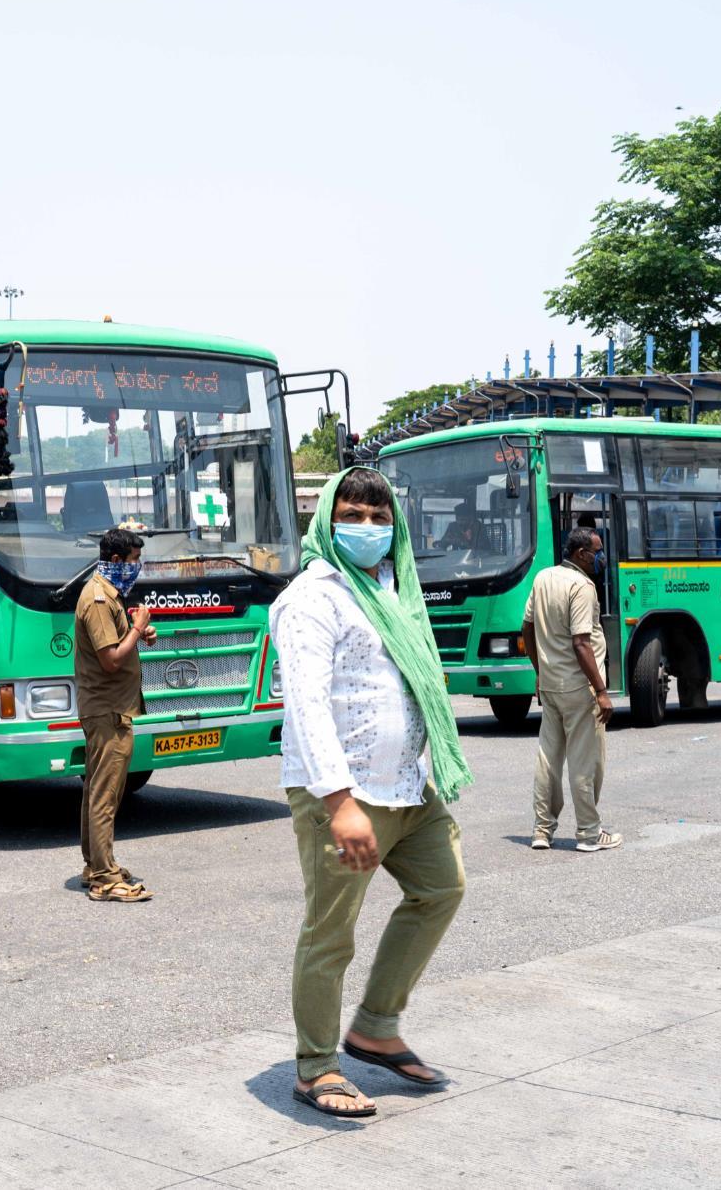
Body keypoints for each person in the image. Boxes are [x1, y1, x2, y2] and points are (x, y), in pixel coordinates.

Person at [269, 466, 473, 1120]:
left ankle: (375, 1026)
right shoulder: (313, 596)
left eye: (378, 518)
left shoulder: (395, 588)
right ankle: (316, 1068)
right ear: (328, 520)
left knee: (442, 886)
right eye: (351, 515)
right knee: (332, 932)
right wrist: (340, 802)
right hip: (346, 792)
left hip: (407, 787)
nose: (366, 527)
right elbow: (304, 703)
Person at [521, 527, 620, 852]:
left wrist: (540, 672)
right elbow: (581, 643)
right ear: (581, 554)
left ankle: (541, 830)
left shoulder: (544, 578)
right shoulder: (582, 586)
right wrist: (602, 691)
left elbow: (527, 627)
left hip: (550, 686)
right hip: (579, 689)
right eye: (597, 551)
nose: (601, 558)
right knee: (585, 761)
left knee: (548, 759)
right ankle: (589, 834)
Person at [74, 526, 156, 902]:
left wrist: (139, 632)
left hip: (109, 708)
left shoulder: (109, 595)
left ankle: (96, 865)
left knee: (98, 790)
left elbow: (115, 643)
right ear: (118, 560)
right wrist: (137, 629)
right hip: (108, 710)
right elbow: (110, 661)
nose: (138, 568)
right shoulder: (99, 600)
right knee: (104, 795)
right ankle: (105, 880)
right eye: (135, 561)